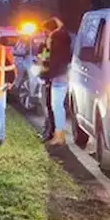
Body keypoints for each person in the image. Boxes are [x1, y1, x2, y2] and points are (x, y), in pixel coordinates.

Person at [41, 16, 74, 145]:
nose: (46, 36)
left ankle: (59, 135)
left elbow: (63, 36)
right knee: (57, 106)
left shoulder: (58, 39)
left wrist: (59, 27)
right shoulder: (61, 41)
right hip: (59, 76)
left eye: (46, 32)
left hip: (59, 76)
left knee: (57, 106)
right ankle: (58, 134)